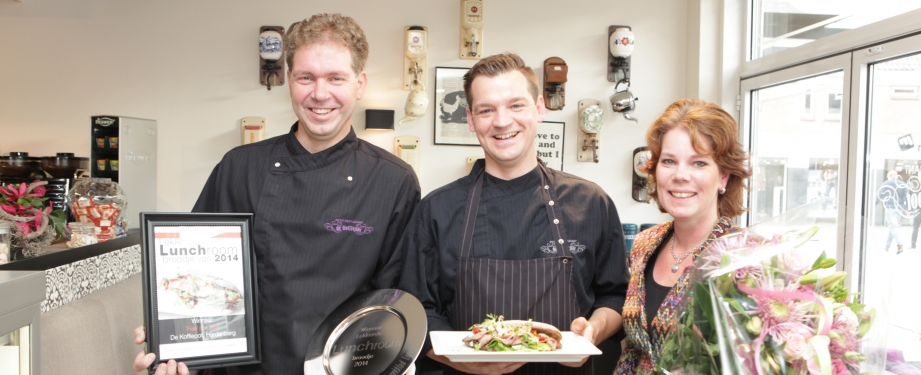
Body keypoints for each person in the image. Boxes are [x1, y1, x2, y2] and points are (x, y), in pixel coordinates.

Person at [131, 13, 421, 375]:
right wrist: (173, 340)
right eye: (306, 77)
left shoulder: (393, 181)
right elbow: (194, 270)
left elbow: (392, 302)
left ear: (359, 84)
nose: (319, 93)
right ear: (288, 80)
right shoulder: (239, 167)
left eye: (336, 78)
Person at [397, 53, 629, 375]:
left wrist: (593, 330)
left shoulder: (589, 202)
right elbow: (417, 310)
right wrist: (464, 361)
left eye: (516, 105)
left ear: (539, 108)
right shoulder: (437, 210)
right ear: (470, 119)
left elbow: (616, 295)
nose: (502, 121)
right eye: (486, 110)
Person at [614, 99, 751, 374]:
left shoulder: (744, 257)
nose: (680, 175)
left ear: (723, 177)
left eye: (698, 163)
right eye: (669, 161)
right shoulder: (644, 243)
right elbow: (636, 346)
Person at [879, 170, 908, 254]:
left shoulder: (887, 183)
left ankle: (900, 245)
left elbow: (880, 194)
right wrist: (907, 209)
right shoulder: (902, 184)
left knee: (893, 227)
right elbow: (906, 197)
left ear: (889, 176)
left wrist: (873, 204)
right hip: (900, 208)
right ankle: (887, 246)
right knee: (892, 227)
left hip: (890, 208)